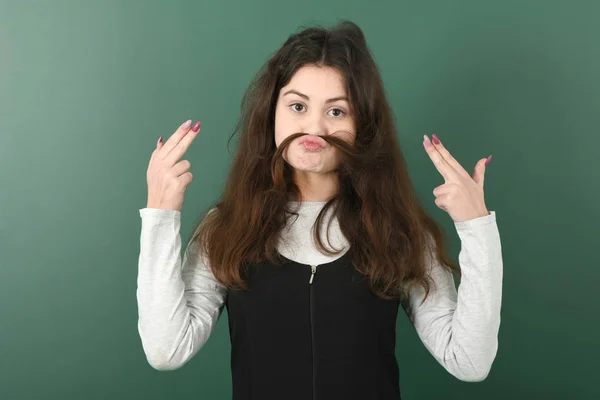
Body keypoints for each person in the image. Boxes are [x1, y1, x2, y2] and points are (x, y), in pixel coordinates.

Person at [137, 20, 502, 400]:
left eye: (337, 112)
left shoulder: (398, 230)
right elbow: (167, 350)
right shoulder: (226, 230)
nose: (314, 126)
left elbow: (470, 361)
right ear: (272, 112)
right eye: (297, 106)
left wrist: (476, 227)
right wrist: (160, 215)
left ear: (363, 124)